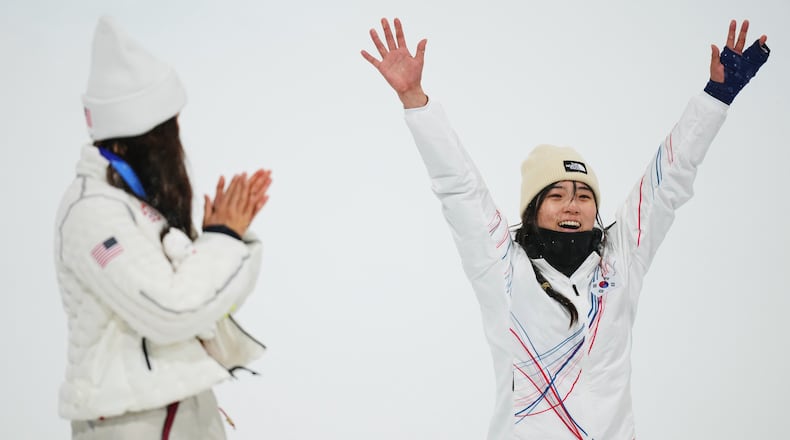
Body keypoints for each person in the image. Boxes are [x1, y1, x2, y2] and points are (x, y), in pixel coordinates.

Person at [362, 17, 769, 440]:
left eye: (583, 194)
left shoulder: (621, 258)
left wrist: (716, 97)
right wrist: (415, 99)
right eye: (556, 195)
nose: (572, 205)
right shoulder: (503, 268)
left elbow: (667, 182)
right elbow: (460, 188)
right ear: (534, 208)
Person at [54, 16, 272, 439]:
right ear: (134, 135)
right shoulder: (93, 214)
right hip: (132, 423)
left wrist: (226, 237)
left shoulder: (135, 207)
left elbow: (211, 306)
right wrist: (222, 240)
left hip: (179, 410)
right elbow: (173, 310)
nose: (177, 143)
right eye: (166, 130)